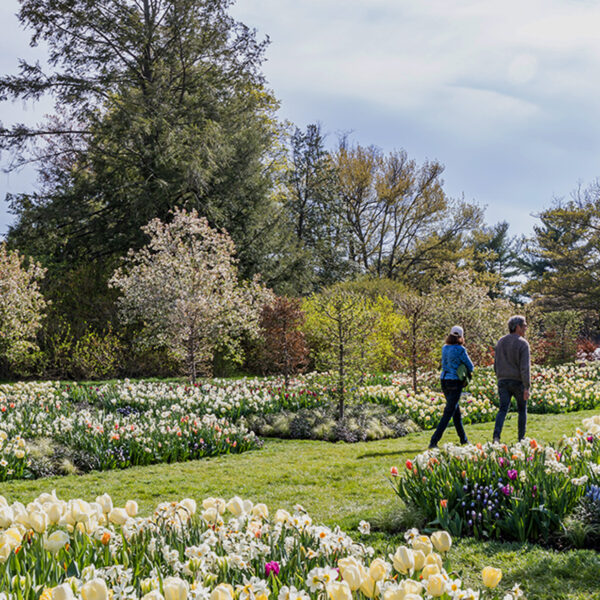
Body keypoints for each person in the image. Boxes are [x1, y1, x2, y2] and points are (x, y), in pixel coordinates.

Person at [429, 325, 474, 449]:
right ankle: (434, 441)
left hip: (444, 380)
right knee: (448, 413)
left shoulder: (445, 348)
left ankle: (463, 440)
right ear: (461, 336)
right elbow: (471, 366)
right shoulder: (460, 349)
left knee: (456, 412)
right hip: (455, 382)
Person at [492, 315, 530, 443]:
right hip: (518, 382)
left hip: (503, 380)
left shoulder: (501, 341)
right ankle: (521, 438)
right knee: (522, 410)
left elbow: (496, 364)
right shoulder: (523, 343)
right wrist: (527, 387)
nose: (526, 328)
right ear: (517, 327)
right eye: (524, 325)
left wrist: (499, 376)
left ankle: (496, 437)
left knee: (502, 409)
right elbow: (525, 368)